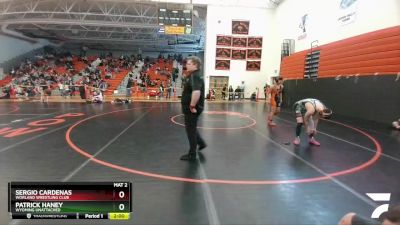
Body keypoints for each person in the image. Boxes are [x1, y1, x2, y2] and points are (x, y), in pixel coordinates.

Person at [180, 56, 207, 161]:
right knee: (192, 127)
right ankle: (201, 143)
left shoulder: (194, 76)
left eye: (189, 63)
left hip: (192, 109)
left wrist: (191, 106)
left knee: (190, 130)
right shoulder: (195, 75)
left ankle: (192, 154)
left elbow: (196, 92)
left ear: (195, 65)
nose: (186, 65)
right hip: (195, 107)